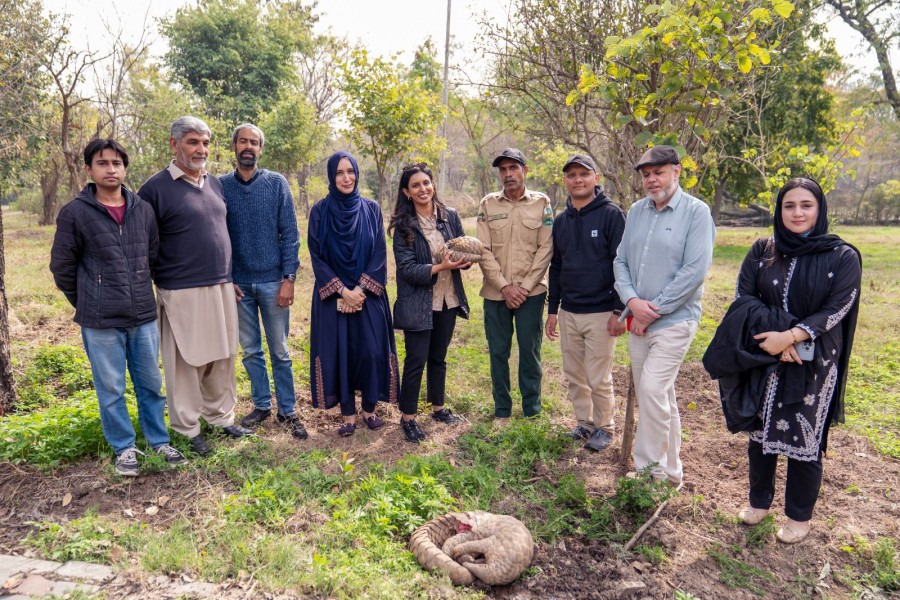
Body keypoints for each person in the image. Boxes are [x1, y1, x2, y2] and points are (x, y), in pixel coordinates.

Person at [721, 178, 861, 544]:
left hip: (813, 360)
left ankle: (799, 516)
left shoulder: (842, 256)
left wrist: (793, 336)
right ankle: (759, 502)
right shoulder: (763, 250)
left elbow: (837, 307)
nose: (797, 213)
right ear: (779, 210)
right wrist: (778, 338)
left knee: (804, 439)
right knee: (760, 432)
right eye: (789, 205)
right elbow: (744, 298)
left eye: (806, 205)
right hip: (766, 352)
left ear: (819, 209)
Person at [50, 139, 186, 476]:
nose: (110, 169)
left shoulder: (143, 209)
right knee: (111, 389)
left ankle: (159, 441)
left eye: (116, 163)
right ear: (89, 169)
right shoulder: (75, 213)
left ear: (124, 168)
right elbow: (62, 268)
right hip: (100, 322)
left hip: (142, 316)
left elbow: (151, 256)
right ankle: (124, 448)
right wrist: (89, 300)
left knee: (150, 384)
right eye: (102, 163)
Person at [138, 116, 252, 457]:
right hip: (180, 288)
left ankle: (220, 417)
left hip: (221, 284)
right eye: (192, 142)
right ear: (174, 144)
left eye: (205, 143)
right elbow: (145, 244)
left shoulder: (213, 183)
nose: (201, 149)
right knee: (186, 361)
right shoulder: (154, 189)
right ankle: (187, 428)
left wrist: (228, 278)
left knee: (222, 357)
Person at [613, 145, 715, 486]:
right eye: (646, 175)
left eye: (658, 172)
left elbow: (694, 271)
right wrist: (632, 301)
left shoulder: (696, 213)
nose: (651, 180)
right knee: (659, 396)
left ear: (676, 172)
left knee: (652, 391)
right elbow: (621, 261)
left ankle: (649, 474)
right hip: (638, 320)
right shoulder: (637, 211)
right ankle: (671, 473)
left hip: (675, 320)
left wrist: (651, 311)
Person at [220, 123, 307, 440]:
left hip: (273, 281)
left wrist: (289, 278)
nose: (248, 147)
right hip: (239, 285)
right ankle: (261, 405)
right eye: (243, 141)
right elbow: (217, 237)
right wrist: (226, 278)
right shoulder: (220, 187)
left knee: (280, 350)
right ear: (234, 146)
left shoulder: (276, 184)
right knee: (251, 351)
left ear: (261, 149)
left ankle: (287, 409)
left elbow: (291, 235)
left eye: (254, 142)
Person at [307, 151, 399, 436]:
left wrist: (359, 290)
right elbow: (316, 256)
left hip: (367, 295)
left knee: (371, 351)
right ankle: (348, 415)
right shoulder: (320, 211)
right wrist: (342, 291)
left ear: (357, 173)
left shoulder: (372, 209)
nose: (346, 178)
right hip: (333, 298)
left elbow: (379, 253)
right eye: (339, 173)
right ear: (331, 176)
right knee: (341, 353)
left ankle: (370, 410)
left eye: (350, 171)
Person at [545, 155, 626, 451]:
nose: (577, 179)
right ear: (565, 181)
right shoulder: (561, 220)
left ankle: (605, 426)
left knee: (598, 376)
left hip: (601, 311)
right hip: (569, 311)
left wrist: (619, 310)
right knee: (574, 374)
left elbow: (622, 264)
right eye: (571, 175)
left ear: (595, 178)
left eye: (583, 174)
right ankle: (585, 423)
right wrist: (553, 310)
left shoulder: (611, 215)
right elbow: (556, 266)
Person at [389, 163, 469, 444]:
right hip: (418, 302)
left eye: (426, 183)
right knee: (416, 360)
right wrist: (440, 267)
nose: (422, 189)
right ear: (406, 192)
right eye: (415, 185)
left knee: (438, 358)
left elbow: (461, 250)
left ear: (433, 184)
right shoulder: (403, 226)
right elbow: (407, 269)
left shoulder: (450, 217)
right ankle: (408, 418)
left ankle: (438, 408)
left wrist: (465, 261)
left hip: (448, 298)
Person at [476, 148, 553, 420]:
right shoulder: (488, 204)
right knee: (498, 352)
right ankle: (502, 410)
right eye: (503, 170)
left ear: (524, 171)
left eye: (513, 168)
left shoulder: (541, 203)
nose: (508, 174)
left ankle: (532, 410)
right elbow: (482, 249)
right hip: (496, 293)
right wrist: (504, 287)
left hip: (531, 293)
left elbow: (546, 248)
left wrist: (525, 287)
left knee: (530, 352)